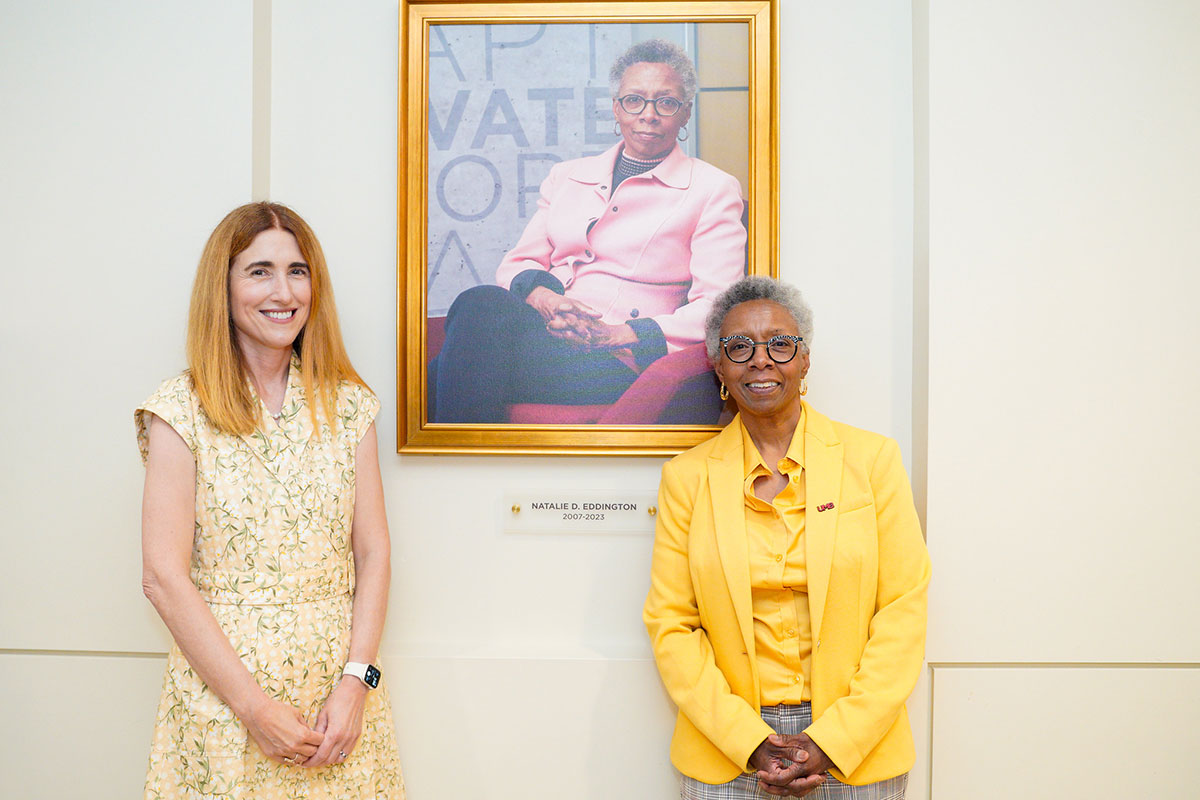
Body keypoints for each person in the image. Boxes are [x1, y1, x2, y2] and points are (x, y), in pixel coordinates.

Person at [136, 202, 404, 798]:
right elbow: (162, 577)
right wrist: (254, 709)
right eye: (259, 271)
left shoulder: (348, 404)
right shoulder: (180, 409)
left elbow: (374, 551)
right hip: (225, 706)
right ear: (223, 287)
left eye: (298, 271)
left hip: (338, 711)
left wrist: (357, 683)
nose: (283, 291)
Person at [644, 276, 930, 798]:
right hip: (727, 749)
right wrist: (749, 740)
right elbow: (672, 624)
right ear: (720, 367)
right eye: (739, 347)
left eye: (780, 343)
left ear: (804, 359)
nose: (761, 359)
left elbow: (903, 609)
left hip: (855, 749)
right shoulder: (686, 479)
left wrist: (834, 740)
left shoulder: (873, 461)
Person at [429, 38, 746, 423]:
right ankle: (472, 469)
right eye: (634, 100)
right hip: (547, 337)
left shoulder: (713, 188)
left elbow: (719, 307)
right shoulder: (568, 175)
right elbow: (518, 263)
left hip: (615, 362)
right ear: (617, 108)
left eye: (666, 102)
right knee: (458, 340)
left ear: (685, 114)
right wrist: (548, 300)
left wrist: (619, 333)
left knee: (461, 340)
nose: (648, 114)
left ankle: (464, 472)